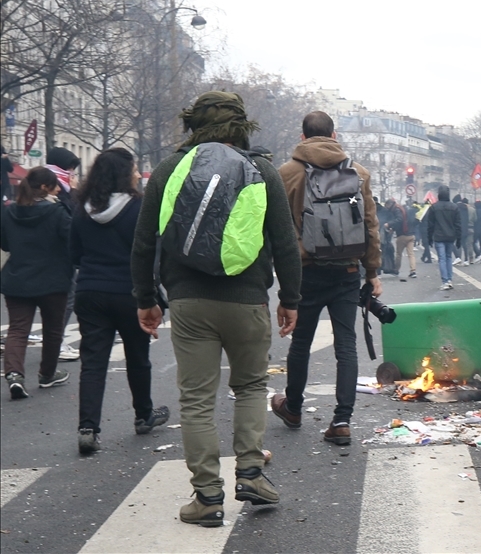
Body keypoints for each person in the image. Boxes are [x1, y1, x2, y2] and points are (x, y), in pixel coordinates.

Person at [131, 91, 302, 527]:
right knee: (248, 388)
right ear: (242, 127)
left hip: (189, 302)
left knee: (197, 402)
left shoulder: (170, 169)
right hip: (247, 300)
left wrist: (146, 300)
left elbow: (144, 242)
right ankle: (251, 474)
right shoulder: (261, 169)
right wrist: (290, 300)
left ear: (194, 125)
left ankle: (207, 498)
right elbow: (285, 242)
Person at [272, 110, 383, 446]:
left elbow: (276, 230)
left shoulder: (286, 173)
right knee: (346, 346)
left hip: (304, 272)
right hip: (347, 271)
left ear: (302, 137)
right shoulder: (358, 173)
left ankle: (292, 408)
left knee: (301, 343)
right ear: (334, 136)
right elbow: (370, 227)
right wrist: (373, 272)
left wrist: (279, 280)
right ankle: (342, 421)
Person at [70, 148, 169, 455]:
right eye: (135, 169)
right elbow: (151, 253)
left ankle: (88, 427)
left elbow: (74, 254)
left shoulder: (81, 208)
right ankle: (143, 415)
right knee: (137, 357)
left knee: (93, 362)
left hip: (89, 291)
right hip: (130, 292)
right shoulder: (139, 208)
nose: (139, 174)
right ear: (124, 175)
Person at [1, 167, 73, 398]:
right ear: (45, 188)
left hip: (18, 278)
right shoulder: (58, 212)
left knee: (18, 329)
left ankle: (14, 374)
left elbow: (5, 244)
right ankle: (47, 374)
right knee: (53, 329)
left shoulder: (10, 212)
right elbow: (71, 240)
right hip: (53, 280)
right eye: (54, 186)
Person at [46, 147, 83, 362]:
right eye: (70, 168)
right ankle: (56, 343)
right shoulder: (59, 189)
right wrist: (75, 192)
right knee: (67, 299)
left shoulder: (39, 181)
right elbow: (73, 216)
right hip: (59, 254)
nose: (72, 173)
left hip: (44, 254)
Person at [425, 185, 460, 290]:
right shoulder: (454, 207)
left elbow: (430, 225)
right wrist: (459, 238)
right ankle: (449, 279)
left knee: (442, 258)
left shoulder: (434, 207)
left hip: (439, 236)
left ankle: (445, 281)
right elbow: (458, 224)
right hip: (450, 236)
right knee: (449, 257)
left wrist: (429, 238)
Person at [383, 198, 416, 278]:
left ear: (389, 204)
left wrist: (389, 224)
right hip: (411, 234)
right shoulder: (403, 208)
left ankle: (396, 270)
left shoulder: (396, 210)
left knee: (398, 254)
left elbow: (399, 220)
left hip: (402, 235)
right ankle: (413, 271)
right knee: (411, 254)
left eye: (387, 206)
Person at [454, 195, 475, 266]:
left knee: (458, 244)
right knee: (465, 244)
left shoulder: (455, 207)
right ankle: (466, 259)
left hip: (458, 228)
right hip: (465, 228)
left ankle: (459, 258)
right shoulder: (465, 207)